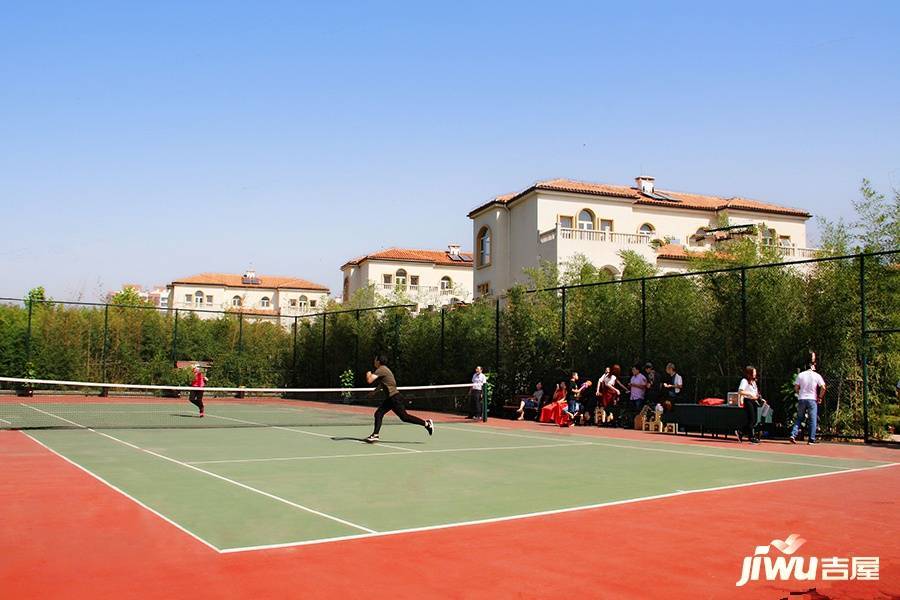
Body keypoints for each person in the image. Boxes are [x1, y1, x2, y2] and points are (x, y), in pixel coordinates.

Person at [364, 354, 434, 443]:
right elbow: (383, 383)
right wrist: (374, 392)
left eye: (375, 360)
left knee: (405, 417)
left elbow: (369, 380)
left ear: (378, 361)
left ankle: (427, 424)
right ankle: (375, 435)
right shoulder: (384, 370)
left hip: (394, 398)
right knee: (378, 413)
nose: (374, 361)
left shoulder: (381, 369)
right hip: (391, 398)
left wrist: (368, 373)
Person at [790, 356, 826, 445]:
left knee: (799, 417)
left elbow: (796, 387)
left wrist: (799, 393)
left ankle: (793, 434)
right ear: (813, 366)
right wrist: (820, 397)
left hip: (802, 398)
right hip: (812, 399)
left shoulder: (801, 375)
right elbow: (823, 387)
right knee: (812, 419)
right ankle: (811, 439)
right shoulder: (817, 375)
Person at [736, 366, 767, 444]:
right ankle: (751, 437)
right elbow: (740, 391)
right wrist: (749, 394)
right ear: (749, 373)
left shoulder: (753, 382)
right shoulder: (744, 381)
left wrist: (760, 398)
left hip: (753, 401)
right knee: (752, 419)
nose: (755, 374)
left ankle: (741, 431)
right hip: (748, 401)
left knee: (755, 420)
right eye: (754, 372)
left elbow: (755, 393)